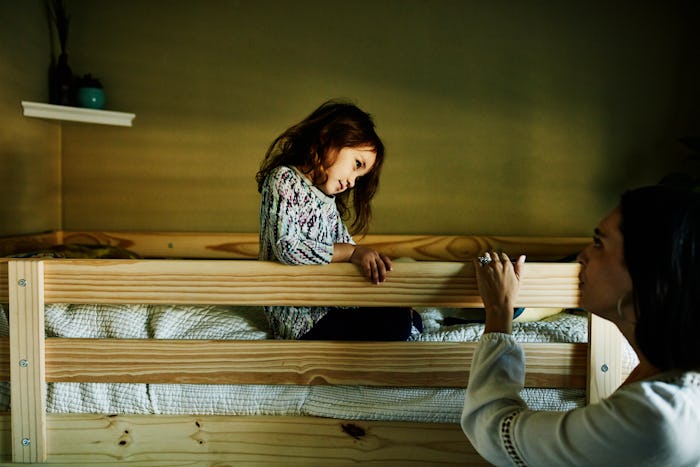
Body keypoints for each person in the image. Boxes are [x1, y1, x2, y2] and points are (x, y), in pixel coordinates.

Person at [462, 184, 700, 466]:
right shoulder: (665, 376)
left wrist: (500, 311)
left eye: (599, 243)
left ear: (646, 272)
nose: (581, 256)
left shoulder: (655, 417)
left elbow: (494, 432)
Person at [255, 99, 421, 340]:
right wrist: (351, 253)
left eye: (360, 176)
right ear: (328, 138)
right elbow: (288, 248)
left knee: (406, 317)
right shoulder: (283, 180)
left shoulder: (327, 202)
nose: (353, 182)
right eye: (356, 165)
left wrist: (380, 286)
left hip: (329, 305)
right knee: (397, 324)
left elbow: (350, 249)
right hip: (299, 317)